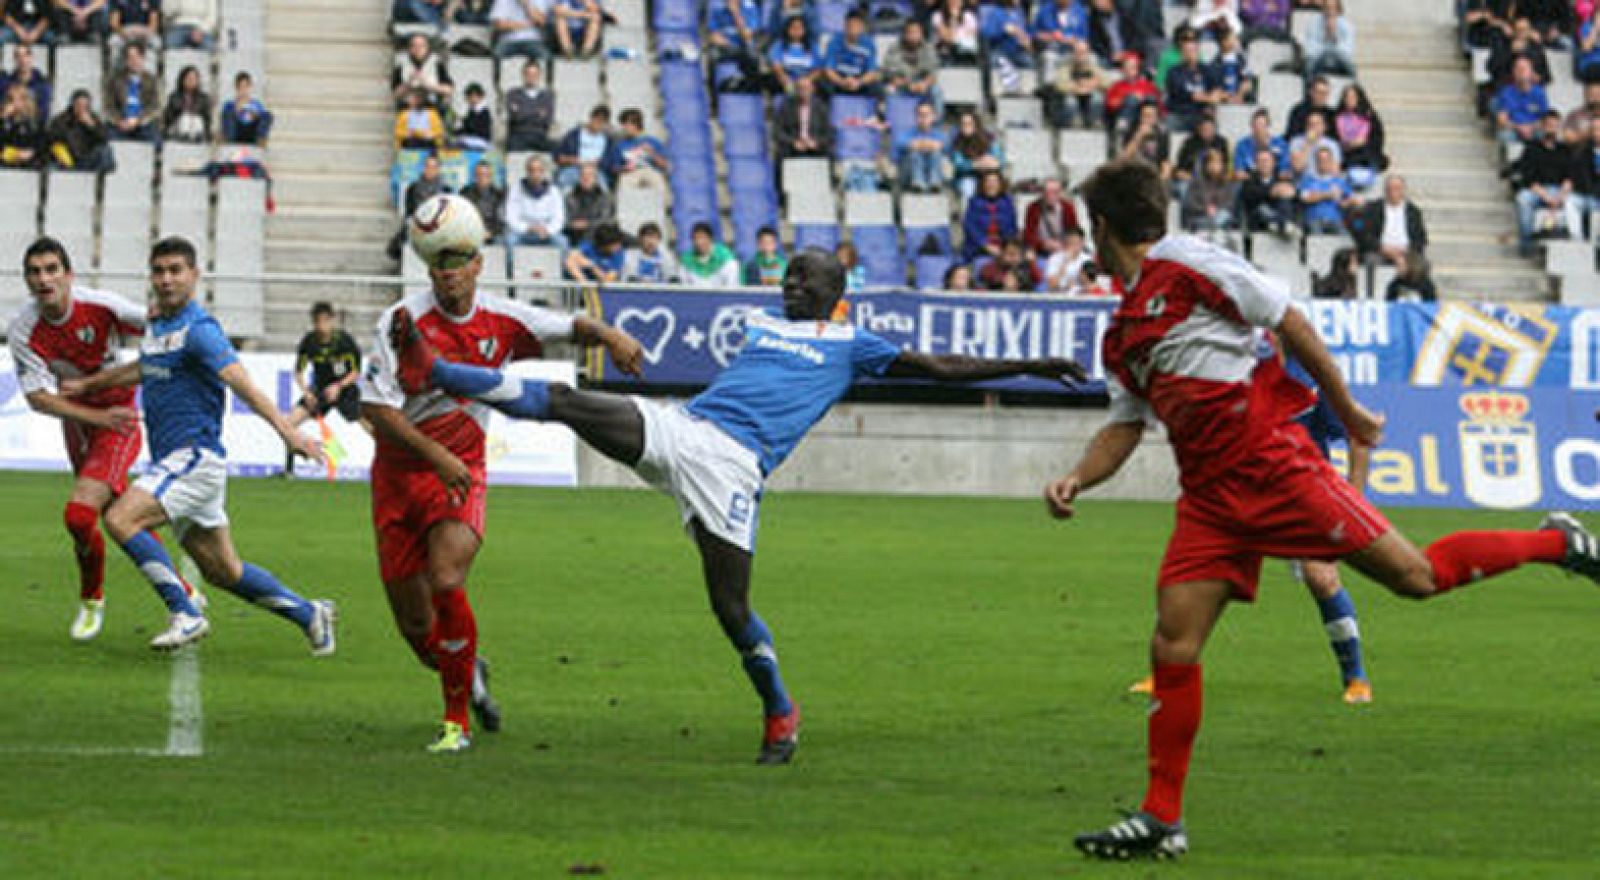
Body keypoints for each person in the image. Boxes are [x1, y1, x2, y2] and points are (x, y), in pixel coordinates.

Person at [1051, 157, 1600, 860]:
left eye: (1089, 227)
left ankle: (1557, 542)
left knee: (1417, 578)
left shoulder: (1188, 262)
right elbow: (1126, 426)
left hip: (1276, 467)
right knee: (1173, 643)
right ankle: (1163, 819)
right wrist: (1077, 478)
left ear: (1101, 227)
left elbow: (1289, 319)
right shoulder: (1122, 331)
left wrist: (1348, 409)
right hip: (1211, 499)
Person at [384, 248, 1086, 763]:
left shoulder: (850, 343)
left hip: (732, 472)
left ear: (835, 294)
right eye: (790, 274)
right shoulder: (758, 322)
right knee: (568, 402)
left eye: (806, 278)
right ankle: (435, 369)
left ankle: (780, 710)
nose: (792, 283)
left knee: (731, 609)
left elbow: (940, 368)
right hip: (684, 430)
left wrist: (1033, 367)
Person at [362, 196, 642, 753]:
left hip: (461, 471)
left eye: (458, 261)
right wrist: (433, 455)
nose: (448, 273)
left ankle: (456, 723)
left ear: (478, 263)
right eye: (438, 263)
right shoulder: (400, 323)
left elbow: (568, 325)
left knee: (447, 580)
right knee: (417, 630)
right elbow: (375, 410)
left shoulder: (502, 319)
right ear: (428, 267)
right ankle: (471, 670)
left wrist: (613, 336)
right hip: (398, 477)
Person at [61, 237, 337, 654]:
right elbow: (144, 368)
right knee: (223, 572)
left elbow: (242, 384)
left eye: (176, 270)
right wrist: (89, 385)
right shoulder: (158, 326)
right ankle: (309, 614)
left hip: (192, 458)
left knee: (120, 518)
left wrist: (289, 433)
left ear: (194, 275)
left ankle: (185, 612)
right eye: (159, 271)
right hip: (181, 463)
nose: (167, 279)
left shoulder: (200, 330)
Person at [8, 237, 195, 641]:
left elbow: (157, 324)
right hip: (79, 423)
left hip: (118, 419)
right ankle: (182, 591)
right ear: (27, 281)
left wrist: (170, 365)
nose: (44, 279)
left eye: (52, 269)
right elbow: (39, 398)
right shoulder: (23, 330)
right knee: (122, 514)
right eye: (35, 272)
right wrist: (93, 417)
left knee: (80, 515)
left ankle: (93, 599)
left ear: (69, 275)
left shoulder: (101, 306)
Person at [285, 301, 366, 473]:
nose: (321, 326)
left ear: (332, 321)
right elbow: (298, 372)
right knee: (289, 423)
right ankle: (289, 470)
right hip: (320, 390)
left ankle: (389, 468)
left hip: (345, 389)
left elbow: (356, 372)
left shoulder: (344, 342)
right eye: (317, 321)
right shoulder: (309, 342)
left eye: (325, 321)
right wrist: (307, 392)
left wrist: (338, 386)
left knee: (373, 426)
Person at [1512, 110, 1582, 255]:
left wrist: (1559, 197)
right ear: (1542, 126)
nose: (1552, 128)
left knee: (1574, 201)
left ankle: (1576, 244)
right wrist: (1546, 197)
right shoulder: (1532, 148)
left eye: (1555, 125)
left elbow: (1570, 178)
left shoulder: (1566, 150)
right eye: (1549, 125)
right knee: (1523, 199)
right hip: (1538, 190)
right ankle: (1527, 245)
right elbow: (1529, 178)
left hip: (1560, 191)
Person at [1354, 174, 1427, 276]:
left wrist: (1405, 251)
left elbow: (1421, 239)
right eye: (1389, 188)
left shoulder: (1413, 212)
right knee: (1370, 260)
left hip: (1406, 252)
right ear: (1385, 190)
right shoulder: (1373, 209)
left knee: (1421, 263)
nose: (1393, 192)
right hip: (1380, 250)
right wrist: (1384, 249)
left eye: (1397, 188)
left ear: (1403, 190)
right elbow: (1365, 235)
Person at [505, 154, 567, 249]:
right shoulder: (516, 189)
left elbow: (559, 218)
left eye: (539, 170)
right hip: (524, 233)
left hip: (546, 233)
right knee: (510, 241)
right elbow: (511, 217)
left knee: (562, 242)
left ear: (543, 171)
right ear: (527, 171)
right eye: (532, 170)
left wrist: (548, 230)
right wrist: (528, 228)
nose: (535, 174)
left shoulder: (554, 191)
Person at [1163, 29, 1218, 133]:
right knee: (1171, 121)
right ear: (1182, 52)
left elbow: (1216, 90)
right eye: (1188, 51)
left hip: (1201, 114)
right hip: (1180, 114)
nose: (1192, 53)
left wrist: (1211, 98)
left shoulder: (1206, 70)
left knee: (1209, 121)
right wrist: (1208, 98)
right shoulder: (1174, 72)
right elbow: (1186, 94)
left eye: (1194, 50)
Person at [45, 88, 113, 171]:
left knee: (105, 150)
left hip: (87, 159)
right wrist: (71, 125)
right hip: (68, 160)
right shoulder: (61, 120)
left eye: (85, 105)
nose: (81, 108)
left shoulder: (94, 119)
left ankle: (103, 175)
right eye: (79, 105)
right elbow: (51, 138)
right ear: (73, 104)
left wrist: (91, 126)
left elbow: (104, 138)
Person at [104, 42, 159, 142]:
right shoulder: (115, 79)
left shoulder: (151, 80)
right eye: (130, 58)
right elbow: (109, 105)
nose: (134, 61)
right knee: (107, 138)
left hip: (142, 122)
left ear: (142, 58)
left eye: (137, 57)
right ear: (125, 61)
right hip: (121, 122)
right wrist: (119, 121)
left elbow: (154, 105)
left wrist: (138, 120)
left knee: (156, 139)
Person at [1180, 147, 1238, 241]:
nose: (1215, 166)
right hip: (1200, 217)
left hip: (1220, 216)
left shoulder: (1226, 182)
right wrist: (1205, 209)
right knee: (1209, 222)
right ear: (1206, 165)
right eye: (1212, 163)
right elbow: (1190, 203)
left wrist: (1217, 209)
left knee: (1225, 217)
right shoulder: (1196, 182)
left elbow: (1229, 203)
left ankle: (1216, 234)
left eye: (1218, 163)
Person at [604, 107, 669, 191]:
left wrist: (651, 152)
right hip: (630, 174)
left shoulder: (652, 141)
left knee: (658, 182)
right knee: (625, 183)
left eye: (626, 124)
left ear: (636, 124)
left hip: (650, 171)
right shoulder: (620, 145)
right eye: (622, 125)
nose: (623, 128)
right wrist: (624, 168)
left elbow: (665, 165)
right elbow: (613, 169)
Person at [1298, 145, 1358, 235]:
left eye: (1326, 160)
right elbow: (1305, 198)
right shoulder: (1307, 180)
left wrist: (1350, 201)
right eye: (1320, 160)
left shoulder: (1340, 181)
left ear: (1331, 161)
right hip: (1314, 220)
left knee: (1345, 237)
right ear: (1316, 162)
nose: (1323, 163)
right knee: (1316, 238)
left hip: (1335, 220)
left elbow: (1346, 202)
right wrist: (1328, 194)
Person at [883, 18, 940, 111]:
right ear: (904, 34)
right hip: (901, 85)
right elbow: (890, 75)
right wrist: (908, 85)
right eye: (910, 32)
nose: (913, 36)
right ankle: (894, 118)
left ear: (921, 33)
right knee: (889, 90)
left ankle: (936, 119)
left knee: (936, 91)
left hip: (922, 84)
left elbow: (933, 73)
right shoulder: (894, 48)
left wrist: (924, 84)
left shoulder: (928, 48)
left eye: (916, 32)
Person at [553, 104, 613, 191]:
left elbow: (609, 161)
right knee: (563, 180)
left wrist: (597, 163)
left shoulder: (607, 140)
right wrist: (572, 160)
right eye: (597, 119)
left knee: (603, 186)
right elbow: (557, 155)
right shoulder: (574, 135)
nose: (599, 123)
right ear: (591, 118)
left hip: (595, 171)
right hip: (575, 168)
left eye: (603, 121)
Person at [1334, 84, 1386, 185]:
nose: (1349, 100)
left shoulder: (1369, 116)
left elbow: (1378, 138)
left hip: (1366, 152)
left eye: (1353, 97)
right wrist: (1347, 144)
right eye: (1347, 97)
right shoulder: (1337, 116)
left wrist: (1363, 142)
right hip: (1346, 153)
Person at [1046, 39, 1103, 129]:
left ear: (1088, 53)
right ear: (1073, 53)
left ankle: (1095, 122)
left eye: (1083, 52)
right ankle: (1075, 122)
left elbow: (1107, 82)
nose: (1080, 55)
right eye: (1078, 52)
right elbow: (1060, 84)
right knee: (1070, 98)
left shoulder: (1093, 67)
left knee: (1097, 96)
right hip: (1069, 107)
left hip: (1087, 104)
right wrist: (1078, 88)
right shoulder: (1065, 67)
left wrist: (1092, 84)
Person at [960, 170, 1017, 261]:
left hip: (1003, 245)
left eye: (994, 182)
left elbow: (1012, 227)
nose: (991, 185)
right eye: (988, 182)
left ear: (1000, 184)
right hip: (979, 247)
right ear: (983, 185)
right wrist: (986, 245)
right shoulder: (974, 202)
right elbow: (970, 227)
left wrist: (1007, 246)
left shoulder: (1007, 202)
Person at [822, 10, 881, 97]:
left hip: (859, 79)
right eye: (850, 25)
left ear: (862, 27)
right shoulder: (834, 42)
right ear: (845, 26)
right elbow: (829, 70)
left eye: (856, 25)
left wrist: (859, 82)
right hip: (839, 78)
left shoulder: (869, 44)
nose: (853, 28)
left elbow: (871, 72)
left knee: (878, 87)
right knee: (823, 85)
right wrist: (842, 82)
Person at [948, 109, 1003, 199]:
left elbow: (999, 159)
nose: (966, 126)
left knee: (994, 183)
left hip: (988, 175)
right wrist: (976, 164)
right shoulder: (956, 142)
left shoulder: (989, 139)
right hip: (966, 177)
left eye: (969, 123)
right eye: (963, 124)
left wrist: (994, 162)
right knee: (968, 186)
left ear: (975, 124)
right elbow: (959, 164)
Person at [1238, 147, 1295, 234]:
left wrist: (1292, 191)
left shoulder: (1281, 178)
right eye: (1260, 161)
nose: (1264, 164)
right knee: (1262, 209)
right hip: (1257, 224)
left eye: (1267, 161)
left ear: (1273, 163)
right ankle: (1279, 223)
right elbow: (1250, 194)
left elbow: (1292, 192)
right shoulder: (1249, 180)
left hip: (1278, 214)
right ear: (1256, 164)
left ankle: (1280, 224)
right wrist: (1271, 192)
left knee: (1285, 201)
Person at [895, 100, 948, 193]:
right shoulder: (906, 134)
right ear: (916, 117)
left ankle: (934, 183)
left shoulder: (940, 135)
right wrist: (926, 145)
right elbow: (900, 144)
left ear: (933, 116)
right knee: (915, 153)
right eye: (920, 115)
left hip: (932, 171)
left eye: (926, 114)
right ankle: (918, 183)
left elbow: (945, 147)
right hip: (909, 175)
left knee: (936, 153)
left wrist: (921, 145)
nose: (923, 118)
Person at [774, 75, 832, 161]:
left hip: (815, 148)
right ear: (796, 90)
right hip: (792, 148)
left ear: (812, 89)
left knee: (828, 152)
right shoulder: (786, 106)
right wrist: (793, 142)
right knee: (782, 152)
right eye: (800, 88)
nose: (803, 91)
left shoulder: (821, 107)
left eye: (806, 88)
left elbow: (829, 133)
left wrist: (816, 142)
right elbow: (777, 131)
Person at [1495, 55, 1550, 145]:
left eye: (1524, 69)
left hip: (1534, 129)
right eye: (1518, 69)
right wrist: (1519, 127)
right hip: (1514, 129)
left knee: (1544, 134)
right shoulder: (1506, 92)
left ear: (1531, 72)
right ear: (1513, 72)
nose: (1521, 72)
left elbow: (1545, 119)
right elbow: (1501, 120)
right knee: (1504, 136)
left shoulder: (1539, 93)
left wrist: (1531, 127)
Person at [392, 33, 455, 110]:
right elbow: (395, 93)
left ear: (427, 48)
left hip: (432, 107)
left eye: (421, 46)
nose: (418, 49)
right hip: (407, 107)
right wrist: (409, 84)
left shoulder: (436, 63)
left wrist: (429, 85)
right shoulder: (401, 64)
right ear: (409, 48)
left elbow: (449, 89)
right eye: (414, 45)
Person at [505, 59, 555, 152]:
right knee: (511, 146)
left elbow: (547, 120)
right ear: (523, 75)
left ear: (539, 76)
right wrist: (537, 113)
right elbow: (516, 118)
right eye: (528, 74)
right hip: (519, 136)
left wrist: (523, 111)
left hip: (539, 136)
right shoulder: (513, 94)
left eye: (535, 74)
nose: (531, 77)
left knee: (558, 148)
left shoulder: (547, 96)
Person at [1024, 177, 1079, 259]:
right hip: (1041, 249)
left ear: (1059, 193)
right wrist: (1043, 244)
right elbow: (1029, 234)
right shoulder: (1033, 208)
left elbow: (1074, 232)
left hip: (1063, 248)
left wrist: (1064, 245)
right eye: (1047, 192)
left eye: (1054, 192)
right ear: (1042, 193)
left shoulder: (1068, 208)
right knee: (1029, 256)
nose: (1050, 196)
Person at [1104, 51, 1158, 135]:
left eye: (1133, 67)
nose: (1130, 69)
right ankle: (1123, 124)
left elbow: (1156, 103)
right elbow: (1110, 104)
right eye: (1127, 67)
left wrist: (1141, 98)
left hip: (1142, 118)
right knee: (1131, 99)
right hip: (1121, 117)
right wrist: (1127, 99)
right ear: (1123, 69)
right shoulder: (1116, 86)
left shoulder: (1148, 85)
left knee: (1149, 99)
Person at [766, 14, 819, 94]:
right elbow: (776, 66)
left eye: (799, 28)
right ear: (787, 29)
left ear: (804, 30)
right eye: (793, 28)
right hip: (785, 80)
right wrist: (786, 79)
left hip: (807, 81)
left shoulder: (812, 46)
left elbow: (818, 69)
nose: (796, 31)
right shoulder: (779, 45)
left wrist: (807, 80)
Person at [1301, 0, 1355, 78]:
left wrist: (1335, 38)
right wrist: (1325, 39)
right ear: (1323, 9)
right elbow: (1309, 50)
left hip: (1339, 58)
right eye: (1327, 7)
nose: (1330, 11)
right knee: (1309, 66)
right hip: (1318, 58)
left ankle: (1352, 84)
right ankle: (1309, 84)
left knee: (1351, 67)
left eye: (1333, 8)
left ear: (1338, 9)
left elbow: (1348, 51)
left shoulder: (1347, 26)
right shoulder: (1313, 23)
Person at [563, 161, 613, 244]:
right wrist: (572, 224)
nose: (586, 178)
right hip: (574, 234)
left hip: (598, 235)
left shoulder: (605, 197)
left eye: (590, 175)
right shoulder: (569, 197)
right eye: (583, 175)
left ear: (595, 178)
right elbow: (563, 219)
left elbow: (606, 220)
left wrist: (587, 224)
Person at [1118, 100, 1170, 179]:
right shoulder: (1131, 129)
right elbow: (1125, 157)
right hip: (1133, 173)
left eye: (1151, 116)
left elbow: (1164, 159)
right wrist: (1139, 136)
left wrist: (1163, 178)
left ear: (1156, 118)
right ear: (1140, 116)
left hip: (1153, 174)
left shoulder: (1162, 133)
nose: (1147, 119)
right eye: (1145, 115)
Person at [679, 222, 741, 286]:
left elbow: (732, 287)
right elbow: (683, 287)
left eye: (702, 237)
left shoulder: (726, 259)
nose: (699, 242)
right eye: (695, 238)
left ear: (710, 238)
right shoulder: (686, 260)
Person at [161, 65, 212, 144]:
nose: (191, 81)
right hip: (178, 127)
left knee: (197, 119)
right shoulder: (174, 96)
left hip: (196, 127)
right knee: (185, 118)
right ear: (182, 80)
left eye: (194, 78)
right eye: (188, 78)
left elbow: (207, 118)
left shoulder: (203, 98)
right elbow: (168, 117)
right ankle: (185, 138)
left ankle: (197, 138)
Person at [220, 72, 273, 145]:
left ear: (249, 87)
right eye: (240, 87)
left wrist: (254, 115)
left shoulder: (256, 104)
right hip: (236, 132)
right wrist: (236, 109)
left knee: (267, 115)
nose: (243, 90)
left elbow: (261, 119)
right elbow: (225, 123)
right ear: (236, 88)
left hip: (251, 132)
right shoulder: (229, 104)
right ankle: (229, 141)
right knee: (228, 112)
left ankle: (260, 139)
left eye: (245, 87)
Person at [1233, 107, 1287, 179]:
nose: (1259, 129)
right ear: (1251, 126)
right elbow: (1239, 172)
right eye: (1256, 126)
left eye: (1262, 126)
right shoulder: (1242, 145)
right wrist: (1257, 181)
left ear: (1268, 126)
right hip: (1250, 181)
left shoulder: (1280, 144)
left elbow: (1285, 171)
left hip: (1274, 181)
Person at [459, 160, 504, 243]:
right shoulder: (465, 193)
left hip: (491, 234)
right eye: (479, 174)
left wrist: (491, 233)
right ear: (475, 176)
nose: (482, 177)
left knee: (501, 240)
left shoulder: (499, 195)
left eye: (486, 175)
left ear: (491, 175)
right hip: (470, 232)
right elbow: (461, 217)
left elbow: (501, 221)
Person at [0, 43, 50, 115]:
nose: (22, 60)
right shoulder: (5, 82)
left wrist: (18, 107)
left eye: (26, 55)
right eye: (18, 56)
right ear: (15, 59)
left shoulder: (42, 84)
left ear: (31, 57)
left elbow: (43, 113)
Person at [977, 237, 1041, 291]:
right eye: (1010, 254)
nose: (1014, 258)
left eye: (1018, 254)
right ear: (1002, 254)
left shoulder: (1026, 267)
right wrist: (1005, 279)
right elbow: (985, 275)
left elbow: (1038, 279)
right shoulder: (994, 266)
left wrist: (1032, 263)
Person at [0, 82, 41, 165]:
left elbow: (39, 144)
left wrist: (31, 152)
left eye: (11, 99)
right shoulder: (4, 120)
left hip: (27, 164)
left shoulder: (34, 122)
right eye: (8, 99)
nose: (9, 102)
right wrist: (3, 118)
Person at [1283, 76, 1333, 141]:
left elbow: (1332, 137)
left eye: (1325, 93)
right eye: (1319, 92)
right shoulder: (1299, 111)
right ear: (1311, 92)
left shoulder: (1330, 114)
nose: (1322, 96)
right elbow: (1292, 135)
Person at [1043, 225, 1092, 292]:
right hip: (1058, 295)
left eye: (1076, 243)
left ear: (1082, 242)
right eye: (1070, 243)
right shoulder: (1054, 258)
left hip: (1079, 295)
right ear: (1065, 243)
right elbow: (1051, 284)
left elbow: (1091, 285)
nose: (1073, 246)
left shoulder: (1087, 259)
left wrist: (1076, 287)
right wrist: (1065, 262)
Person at [930, 0, 979, 65]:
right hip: (945, 52)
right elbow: (946, 38)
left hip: (966, 51)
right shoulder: (938, 15)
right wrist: (953, 19)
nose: (955, 2)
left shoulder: (969, 16)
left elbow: (972, 36)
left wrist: (956, 37)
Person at [452, 82, 492, 151]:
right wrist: (458, 125)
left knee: (462, 142)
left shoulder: (484, 112)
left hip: (482, 141)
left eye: (473, 96)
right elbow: (463, 129)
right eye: (468, 96)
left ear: (480, 97)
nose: (470, 99)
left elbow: (479, 130)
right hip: (471, 140)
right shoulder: (471, 111)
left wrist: (465, 130)